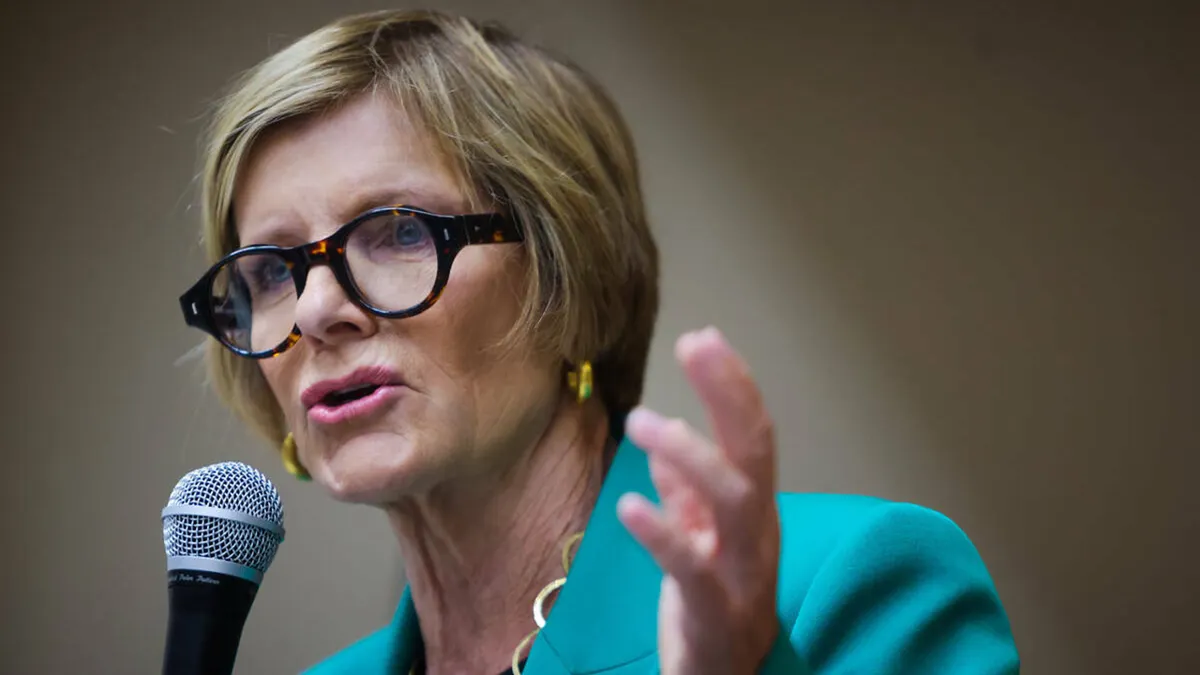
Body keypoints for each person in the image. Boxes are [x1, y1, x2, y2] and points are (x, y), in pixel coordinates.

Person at [178, 9, 1020, 675]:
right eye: (271, 271)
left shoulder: (848, 586)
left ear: (565, 274)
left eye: (398, 232)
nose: (319, 307)